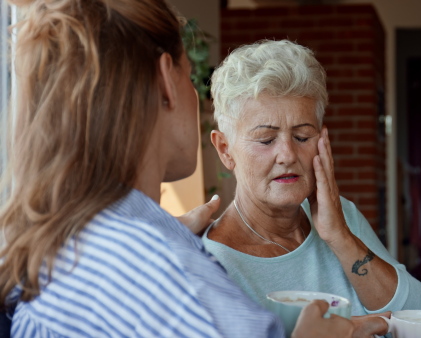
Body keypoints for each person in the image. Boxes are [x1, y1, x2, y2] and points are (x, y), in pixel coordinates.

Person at [0, 1, 354, 337]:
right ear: (167, 81)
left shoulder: (68, 243)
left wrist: (165, 235)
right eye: (191, 77)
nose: (287, 153)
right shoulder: (158, 269)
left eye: (302, 135)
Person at [203, 39, 421, 327]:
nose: (288, 155)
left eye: (302, 137)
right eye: (266, 139)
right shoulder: (213, 262)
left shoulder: (341, 217)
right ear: (225, 150)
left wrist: (339, 236)